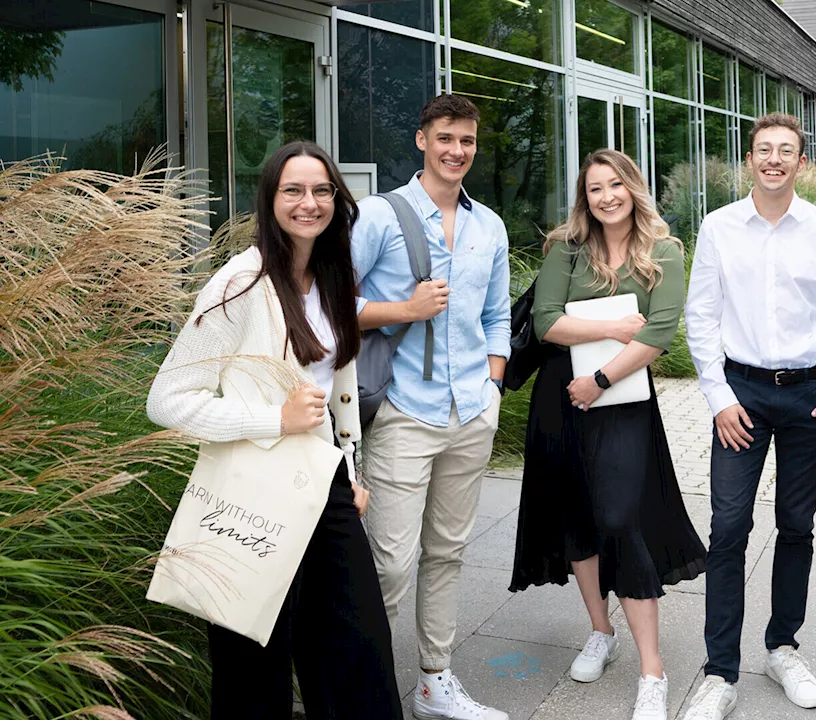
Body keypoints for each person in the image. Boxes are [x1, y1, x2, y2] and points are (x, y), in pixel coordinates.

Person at [147, 141, 402, 719]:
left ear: (337, 200)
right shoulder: (239, 283)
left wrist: (348, 471)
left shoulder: (334, 277)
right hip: (252, 494)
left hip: (322, 485)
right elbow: (166, 400)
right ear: (270, 200)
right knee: (253, 659)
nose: (308, 203)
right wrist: (273, 420)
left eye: (321, 191)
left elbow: (335, 394)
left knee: (357, 647)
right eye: (293, 190)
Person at [681, 113, 816, 720]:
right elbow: (700, 316)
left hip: (808, 397)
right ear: (750, 160)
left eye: (785, 151)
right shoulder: (718, 228)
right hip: (739, 394)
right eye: (763, 150)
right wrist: (717, 396)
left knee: (796, 524)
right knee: (729, 528)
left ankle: (782, 647)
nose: (773, 160)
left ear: (800, 163)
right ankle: (719, 672)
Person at [509, 148, 707, 720]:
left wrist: (600, 375)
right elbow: (547, 322)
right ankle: (602, 632)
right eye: (595, 189)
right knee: (577, 517)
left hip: (620, 402)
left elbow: (662, 331)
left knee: (621, 520)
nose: (606, 197)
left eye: (615, 185)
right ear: (585, 198)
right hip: (560, 400)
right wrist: (615, 326)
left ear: (633, 188)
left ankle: (653, 671)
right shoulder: (567, 249)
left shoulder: (664, 251)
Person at [351, 94, 511, 720]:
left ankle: (433, 684)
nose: (456, 151)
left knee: (447, 553)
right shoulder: (378, 217)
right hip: (402, 414)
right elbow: (332, 307)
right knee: (388, 565)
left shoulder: (488, 226)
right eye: (445, 138)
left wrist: (493, 387)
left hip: (470, 410)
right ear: (422, 140)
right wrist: (405, 310)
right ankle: (359, 686)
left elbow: (496, 316)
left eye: (467, 141)